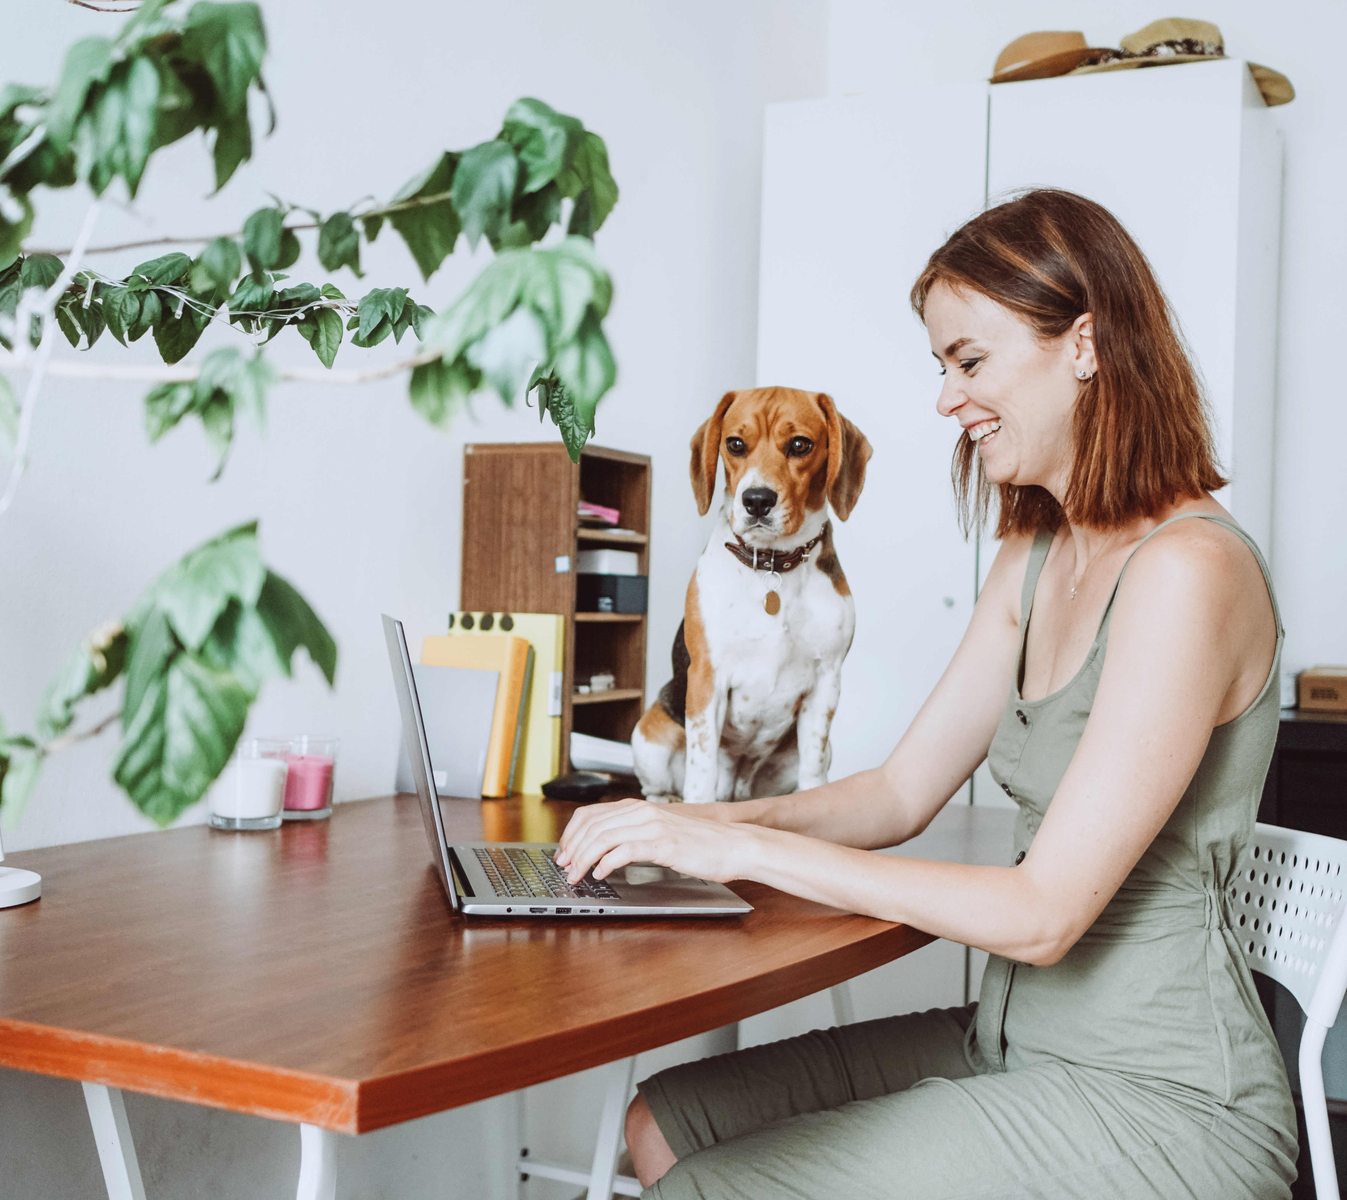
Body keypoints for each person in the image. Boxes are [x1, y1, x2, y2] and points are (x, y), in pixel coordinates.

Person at [555, 188, 1298, 1200]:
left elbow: (1043, 915)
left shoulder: (1187, 573)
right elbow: (900, 794)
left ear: (1085, 344)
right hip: (1008, 1039)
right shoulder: (1037, 552)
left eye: (970, 360)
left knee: (705, 1185)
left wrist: (737, 848)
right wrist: (686, 821)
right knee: (665, 1117)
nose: (947, 398)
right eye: (942, 367)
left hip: (1163, 1097)